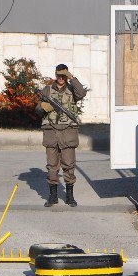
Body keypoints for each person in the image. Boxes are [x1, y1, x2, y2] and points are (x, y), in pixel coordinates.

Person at [35, 64, 87, 208]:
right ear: (55, 75)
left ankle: (70, 196)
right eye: (58, 75)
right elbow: (38, 109)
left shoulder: (72, 89)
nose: (60, 78)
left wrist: (72, 78)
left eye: (63, 75)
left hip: (68, 132)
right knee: (52, 165)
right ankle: (53, 196)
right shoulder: (47, 90)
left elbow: (82, 93)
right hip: (51, 131)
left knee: (69, 165)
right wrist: (43, 107)